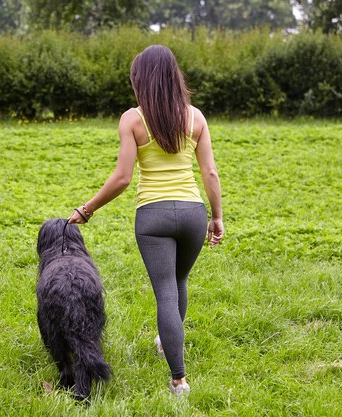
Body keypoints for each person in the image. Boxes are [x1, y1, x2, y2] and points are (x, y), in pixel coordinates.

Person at [68, 44, 223, 395]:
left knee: (166, 293)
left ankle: (179, 380)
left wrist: (86, 209)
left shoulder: (133, 119)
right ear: (173, 76)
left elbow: (123, 178)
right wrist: (216, 217)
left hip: (152, 216)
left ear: (142, 80)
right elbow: (209, 172)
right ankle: (167, 346)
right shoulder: (195, 117)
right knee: (179, 283)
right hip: (192, 214)